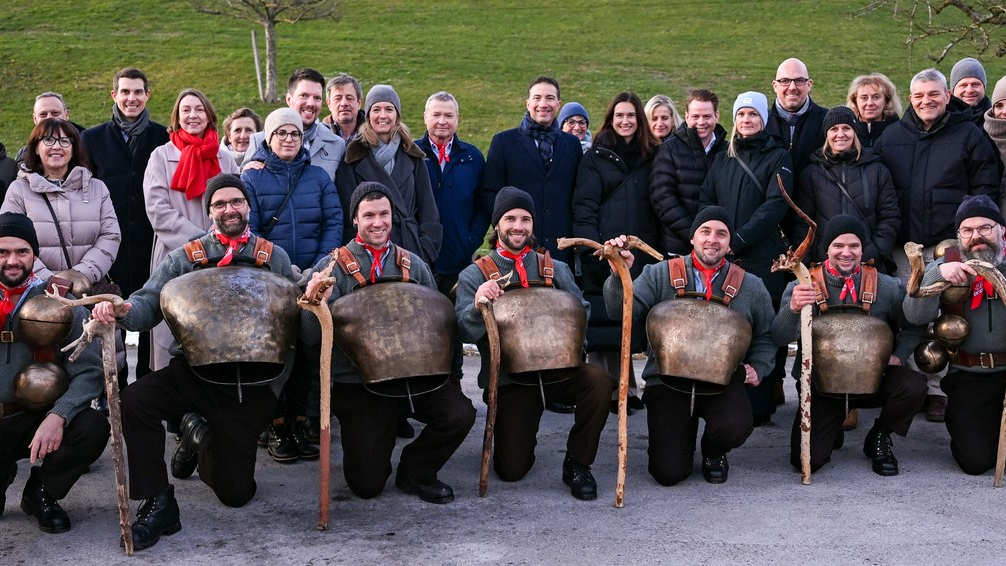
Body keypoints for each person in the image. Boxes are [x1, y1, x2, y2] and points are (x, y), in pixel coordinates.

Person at [92, 174, 296, 551]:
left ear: (248, 207)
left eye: (236, 202)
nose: (229, 209)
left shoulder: (274, 257)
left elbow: (296, 309)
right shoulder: (186, 258)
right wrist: (121, 309)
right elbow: (148, 302)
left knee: (237, 494)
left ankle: (197, 434)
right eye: (219, 204)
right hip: (194, 371)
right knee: (134, 402)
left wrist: (314, 296)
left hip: (252, 383)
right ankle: (158, 501)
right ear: (210, 212)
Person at [302, 181, 475, 504]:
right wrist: (314, 306)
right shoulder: (330, 269)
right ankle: (378, 438)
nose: (378, 222)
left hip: (416, 376)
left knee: (459, 413)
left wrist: (452, 377)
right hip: (359, 385)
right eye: (369, 215)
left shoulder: (414, 264)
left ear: (393, 216)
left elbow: (442, 323)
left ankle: (417, 470)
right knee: (366, 486)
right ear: (355, 219)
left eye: (384, 214)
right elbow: (312, 342)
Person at [455, 187, 612, 500]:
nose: (518, 225)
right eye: (510, 218)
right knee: (512, 470)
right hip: (511, 380)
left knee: (599, 382)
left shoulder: (555, 268)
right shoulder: (476, 274)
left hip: (561, 371)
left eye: (525, 219)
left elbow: (583, 309)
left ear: (533, 225)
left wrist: (569, 339)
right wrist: (478, 305)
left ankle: (578, 461)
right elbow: (462, 330)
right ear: (496, 225)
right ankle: (519, 434)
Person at [602, 207, 776, 485]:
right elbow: (618, 311)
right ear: (692, 239)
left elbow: (766, 334)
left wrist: (759, 366)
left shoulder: (751, 285)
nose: (712, 239)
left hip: (723, 379)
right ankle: (680, 436)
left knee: (735, 426)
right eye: (705, 231)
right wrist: (618, 273)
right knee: (669, 473)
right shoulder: (658, 274)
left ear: (730, 244)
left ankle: (714, 450)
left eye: (721, 234)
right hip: (667, 381)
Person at [873, 68, 1001, 422]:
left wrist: (973, 237)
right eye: (918, 96)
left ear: (947, 96)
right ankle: (906, 386)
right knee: (910, 315)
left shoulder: (969, 136)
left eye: (933, 94)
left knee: (951, 317)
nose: (926, 101)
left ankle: (937, 392)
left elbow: (985, 188)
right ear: (910, 98)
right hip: (906, 249)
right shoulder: (891, 137)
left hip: (952, 245)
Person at [773, 215, 926, 476]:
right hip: (821, 386)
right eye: (838, 246)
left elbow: (915, 324)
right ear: (827, 249)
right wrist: (792, 308)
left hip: (873, 380)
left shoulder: (887, 286)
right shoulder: (802, 283)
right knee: (806, 461)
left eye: (854, 246)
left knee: (913, 386)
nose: (847, 253)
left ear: (862, 248)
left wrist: (899, 355)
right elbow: (778, 337)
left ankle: (880, 436)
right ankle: (830, 429)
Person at [242, 108, 342, 462]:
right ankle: (275, 423)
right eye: (281, 133)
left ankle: (300, 421)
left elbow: (333, 222)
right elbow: (248, 228)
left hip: (313, 277)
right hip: (272, 277)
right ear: (269, 138)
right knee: (277, 352)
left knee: (306, 352)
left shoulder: (317, 177)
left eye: (295, 134)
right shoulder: (253, 178)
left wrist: (319, 266)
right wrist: (282, 267)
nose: (288, 139)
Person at [0, 212, 109, 533]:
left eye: (22, 251)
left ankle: (41, 492)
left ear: (34, 254)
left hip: (35, 416)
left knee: (91, 426)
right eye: (2, 252)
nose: (12, 261)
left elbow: (90, 370)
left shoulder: (59, 299)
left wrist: (59, 415)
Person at [699, 91, 793, 426]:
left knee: (761, 323)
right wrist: (717, 238)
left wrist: (738, 240)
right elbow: (708, 198)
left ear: (763, 119)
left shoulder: (778, 155)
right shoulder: (725, 155)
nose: (746, 121)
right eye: (741, 115)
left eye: (753, 115)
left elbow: (775, 204)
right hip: (724, 253)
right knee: (726, 322)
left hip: (760, 254)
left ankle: (761, 400)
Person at [903, 195, 1006, 475]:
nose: (977, 237)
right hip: (969, 375)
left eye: (985, 228)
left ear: (1001, 230)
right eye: (967, 230)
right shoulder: (948, 264)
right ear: (959, 235)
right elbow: (914, 316)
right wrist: (936, 274)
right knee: (975, 462)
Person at [572, 91, 660, 412]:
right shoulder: (595, 157)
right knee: (605, 320)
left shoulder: (652, 155)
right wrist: (593, 249)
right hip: (605, 250)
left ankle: (628, 386)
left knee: (633, 319)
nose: (625, 121)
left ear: (640, 121)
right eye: (619, 115)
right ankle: (605, 389)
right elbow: (584, 208)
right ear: (610, 119)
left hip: (643, 250)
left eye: (631, 116)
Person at [81, 67, 169, 383]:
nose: (131, 98)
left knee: (148, 312)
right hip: (109, 245)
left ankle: (146, 384)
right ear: (114, 95)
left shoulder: (163, 136)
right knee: (107, 315)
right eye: (125, 91)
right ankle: (111, 386)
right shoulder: (91, 138)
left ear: (147, 95)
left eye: (137, 92)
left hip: (149, 242)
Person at [144, 88, 239, 372]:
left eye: (198, 109)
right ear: (177, 117)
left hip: (221, 257)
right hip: (175, 253)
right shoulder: (161, 156)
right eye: (186, 110)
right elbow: (157, 208)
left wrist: (216, 243)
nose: (192, 115)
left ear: (209, 116)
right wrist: (197, 243)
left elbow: (237, 204)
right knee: (171, 328)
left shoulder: (225, 158)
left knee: (213, 331)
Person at [416, 91, 490, 382]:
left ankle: (454, 384)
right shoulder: (413, 153)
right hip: (422, 257)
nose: (442, 121)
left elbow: (483, 205)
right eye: (436, 114)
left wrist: (472, 239)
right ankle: (423, 387)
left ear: (457, 119)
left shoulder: (471, 157)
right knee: (423, 325)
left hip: (458, 257)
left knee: (455, 324)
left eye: (448, 115)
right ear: (425, 117)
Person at [2, 119, 120, 283]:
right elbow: (10, 240)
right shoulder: (19, 190)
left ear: (73, 149)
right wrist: (48, 281)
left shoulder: (97, 188)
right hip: (36, 292)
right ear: (36, 147)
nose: (57, 146)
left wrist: (81, 276)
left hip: (89, 289)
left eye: (65, 141)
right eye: (48, 140)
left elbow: (110, 236)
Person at [336, 84, 442, 266]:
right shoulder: (352, 158)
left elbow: (429, 212)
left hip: (410, 251)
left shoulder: (413, 157)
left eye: (389, 109)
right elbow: (348, 216)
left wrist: (425, 250)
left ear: (397, 115)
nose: (383, 116)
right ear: (368, 116)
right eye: (376, 109)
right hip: (367, 255)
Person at [484, 76, 582, 263]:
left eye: (550, 98)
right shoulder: (504, 142)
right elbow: (490, 193)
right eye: (537, 98)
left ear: (558, 104)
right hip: (516, 248)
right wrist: (509, 229)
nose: (543, 104)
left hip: (560, 248)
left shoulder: (572, 145)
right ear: (528, 103)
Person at [791, 106, 900, 269]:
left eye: (846, 128)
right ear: (826, 134)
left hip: (868, 262)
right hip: (824, 263)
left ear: (855, 132)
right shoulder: (811, 173)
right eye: (834, 129)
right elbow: (802, 221)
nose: (840, 134)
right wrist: (813, 259)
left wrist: (874, 252)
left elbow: (889, 216)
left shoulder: (877, 170)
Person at [650, 88, 728, 256]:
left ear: (717, 116)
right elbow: (662, 198)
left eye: (707, 116)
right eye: (695, 116)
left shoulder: (729, 151)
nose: (701, 122)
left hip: (718, 248)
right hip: (678, 247)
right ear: (686, 117)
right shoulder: (669, 149)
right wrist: (694, 235)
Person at [242, 68, 345, 182]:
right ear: (289, 99)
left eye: (317, 98)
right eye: (304, 95)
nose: (311, 103)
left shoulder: (336, 145)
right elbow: (244, 190)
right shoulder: (260, 140)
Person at [766, 57, 828, 177]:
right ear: (775, 86)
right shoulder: (760, 123)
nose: (792, 87)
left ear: (809, 84)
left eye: (799, 80)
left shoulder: (827, 122)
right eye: (785, 80)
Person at [15, 93, 87, 166]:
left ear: (66, 115)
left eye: (55, 113)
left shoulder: (88, 147)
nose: (49, 118)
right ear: (35, 119)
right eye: (43, 114)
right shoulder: (24, 155)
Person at [846, 73, 903, 147]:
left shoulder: (900, 132)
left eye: (876, 97)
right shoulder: (846, 133)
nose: (870, 103)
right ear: (855, 102)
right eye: (864, 98)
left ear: (886, 101)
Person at [322, 73, 365, 142]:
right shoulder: (318, 136)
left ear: (359, 103)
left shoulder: (374, 136)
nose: (344, 103)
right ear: (329, 104)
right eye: (338, 98)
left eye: (349, 98)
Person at [950, 57, 990, 128]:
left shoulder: (996, 119)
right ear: (953, 89)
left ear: (984, 87)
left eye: (975, 84)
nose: (969, 90)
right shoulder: (941, 121)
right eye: (963, 85)